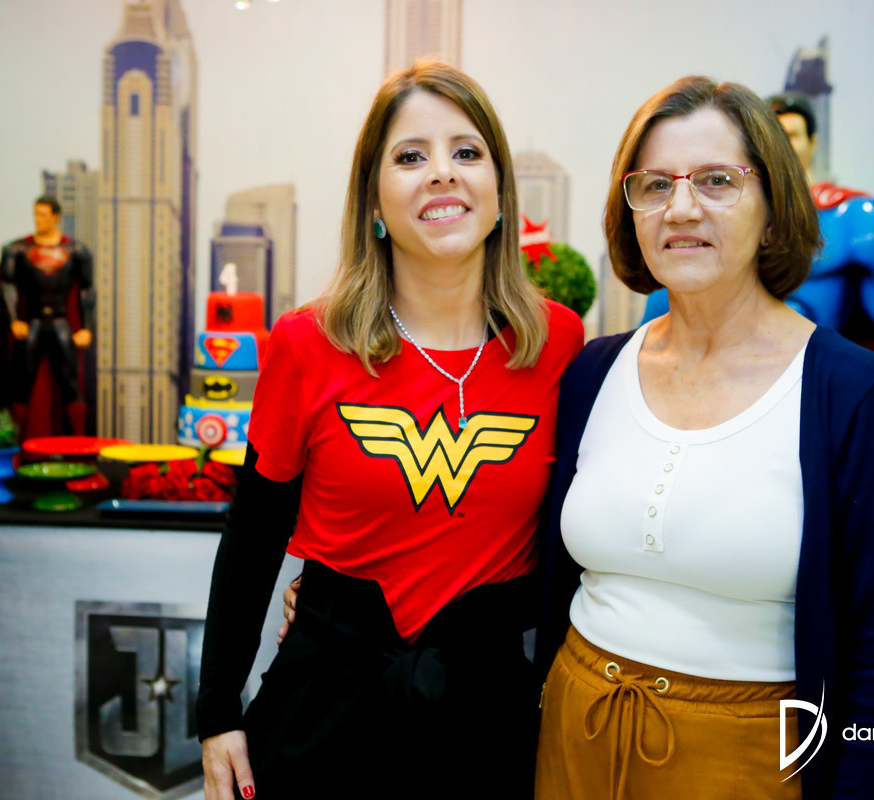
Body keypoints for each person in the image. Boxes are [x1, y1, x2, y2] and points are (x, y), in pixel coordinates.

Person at [196, 60, 584, 800]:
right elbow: (253, 533)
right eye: (410, 156)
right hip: (322, 712)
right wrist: (217, 713)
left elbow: (574, 542)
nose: (442, 172)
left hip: (487, 719)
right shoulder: (306, 343)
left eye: (466, 152)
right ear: (373, 202)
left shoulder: (560, 345)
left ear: (500, 195)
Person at [534, 77, 874, 798]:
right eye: (655, 184)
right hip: (574, 736)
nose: (681, 208)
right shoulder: (593, 371)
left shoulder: (849, 390)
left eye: (717, 180)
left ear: (774, 212)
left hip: (752, 759)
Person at [644, 91, 874, 442]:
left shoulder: (858, 224)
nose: (780, 146)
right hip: (716, 397)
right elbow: (657, 338)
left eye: (791, 135)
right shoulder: (703, 227)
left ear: (812, 143)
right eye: (769, 137)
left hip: (822, 398)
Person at [0, 195, 94, 436]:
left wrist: (86, 327)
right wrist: (14, 321)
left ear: (56, 217)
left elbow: (86, 289)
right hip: (32, 322)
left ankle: (77, 442)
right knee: (21, 385)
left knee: (71, 385)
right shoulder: (18, 249)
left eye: (43, 214)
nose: (38, 219)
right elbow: (7, 285)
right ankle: (16, 442)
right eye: (36, 214)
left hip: (61, 323)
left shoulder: (76, 250)